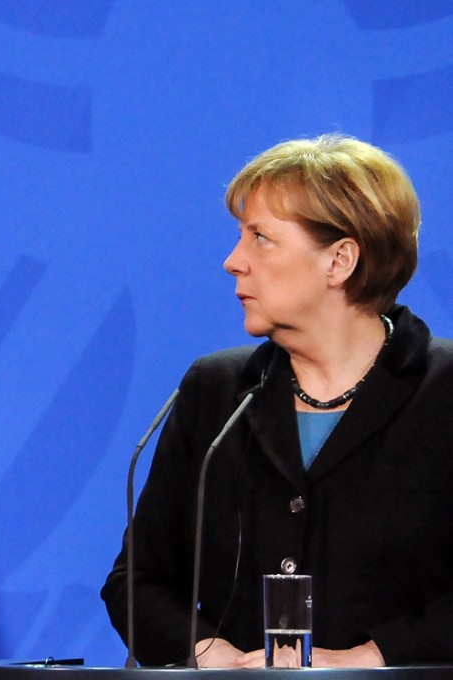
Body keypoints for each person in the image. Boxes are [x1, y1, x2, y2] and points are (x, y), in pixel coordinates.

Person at [101, 134, 453, 668]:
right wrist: (207, 652)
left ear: (340, 260)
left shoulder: (443, 390)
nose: (232, 261)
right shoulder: (216, 391)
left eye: (260, 238)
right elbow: (138, 579)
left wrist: (369, 659)